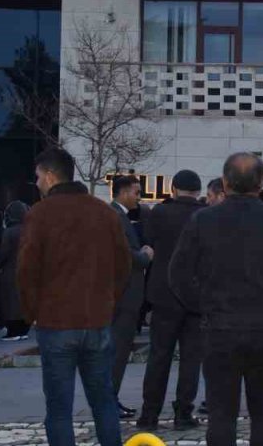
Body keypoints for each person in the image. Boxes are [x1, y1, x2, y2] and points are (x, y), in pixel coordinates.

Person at [169, 153, 263, 446]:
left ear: (225, 182)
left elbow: (178, 275)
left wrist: (204, 306)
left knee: (221, 414)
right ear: (261, 183)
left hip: (220, 328)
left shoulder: (203, 220)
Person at [18, 148, 131, 446]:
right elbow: (123, 265)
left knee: (59, 409)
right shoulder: (104, 212)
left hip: (56, 321)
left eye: (38, 177)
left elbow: (27, 270)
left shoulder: (40, 214)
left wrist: (32, 313)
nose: (37, 183)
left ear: (50, 176)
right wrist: (108, 301)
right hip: (96, 320)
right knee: (103, 401)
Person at [137, 170, 206, 431]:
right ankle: (183, 413)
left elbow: (150, 242)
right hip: (195, 297)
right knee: (191, 359)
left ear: (174, 189)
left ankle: (149, 414)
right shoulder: (205, 216)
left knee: (159, 356)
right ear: (198, 191)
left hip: (163, 294)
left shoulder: (160, 213)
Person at [109, 174, 154, 418]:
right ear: (124, 192)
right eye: (137, 192)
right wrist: (145, 256)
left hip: (125, 296)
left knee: (118, 352)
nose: (139, 197)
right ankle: (109, 402)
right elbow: (124, 255)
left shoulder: (119, 216)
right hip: (124, 297)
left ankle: (111, 399)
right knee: (117, 352)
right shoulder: (115, 217)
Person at [0, 200, 32, 341]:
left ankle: (13, 331)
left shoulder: (9, 232)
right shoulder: (30, 230)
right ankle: (23, 330)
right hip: (27, 271)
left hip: (10, 272)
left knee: (11, 302)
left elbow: (3, 253)